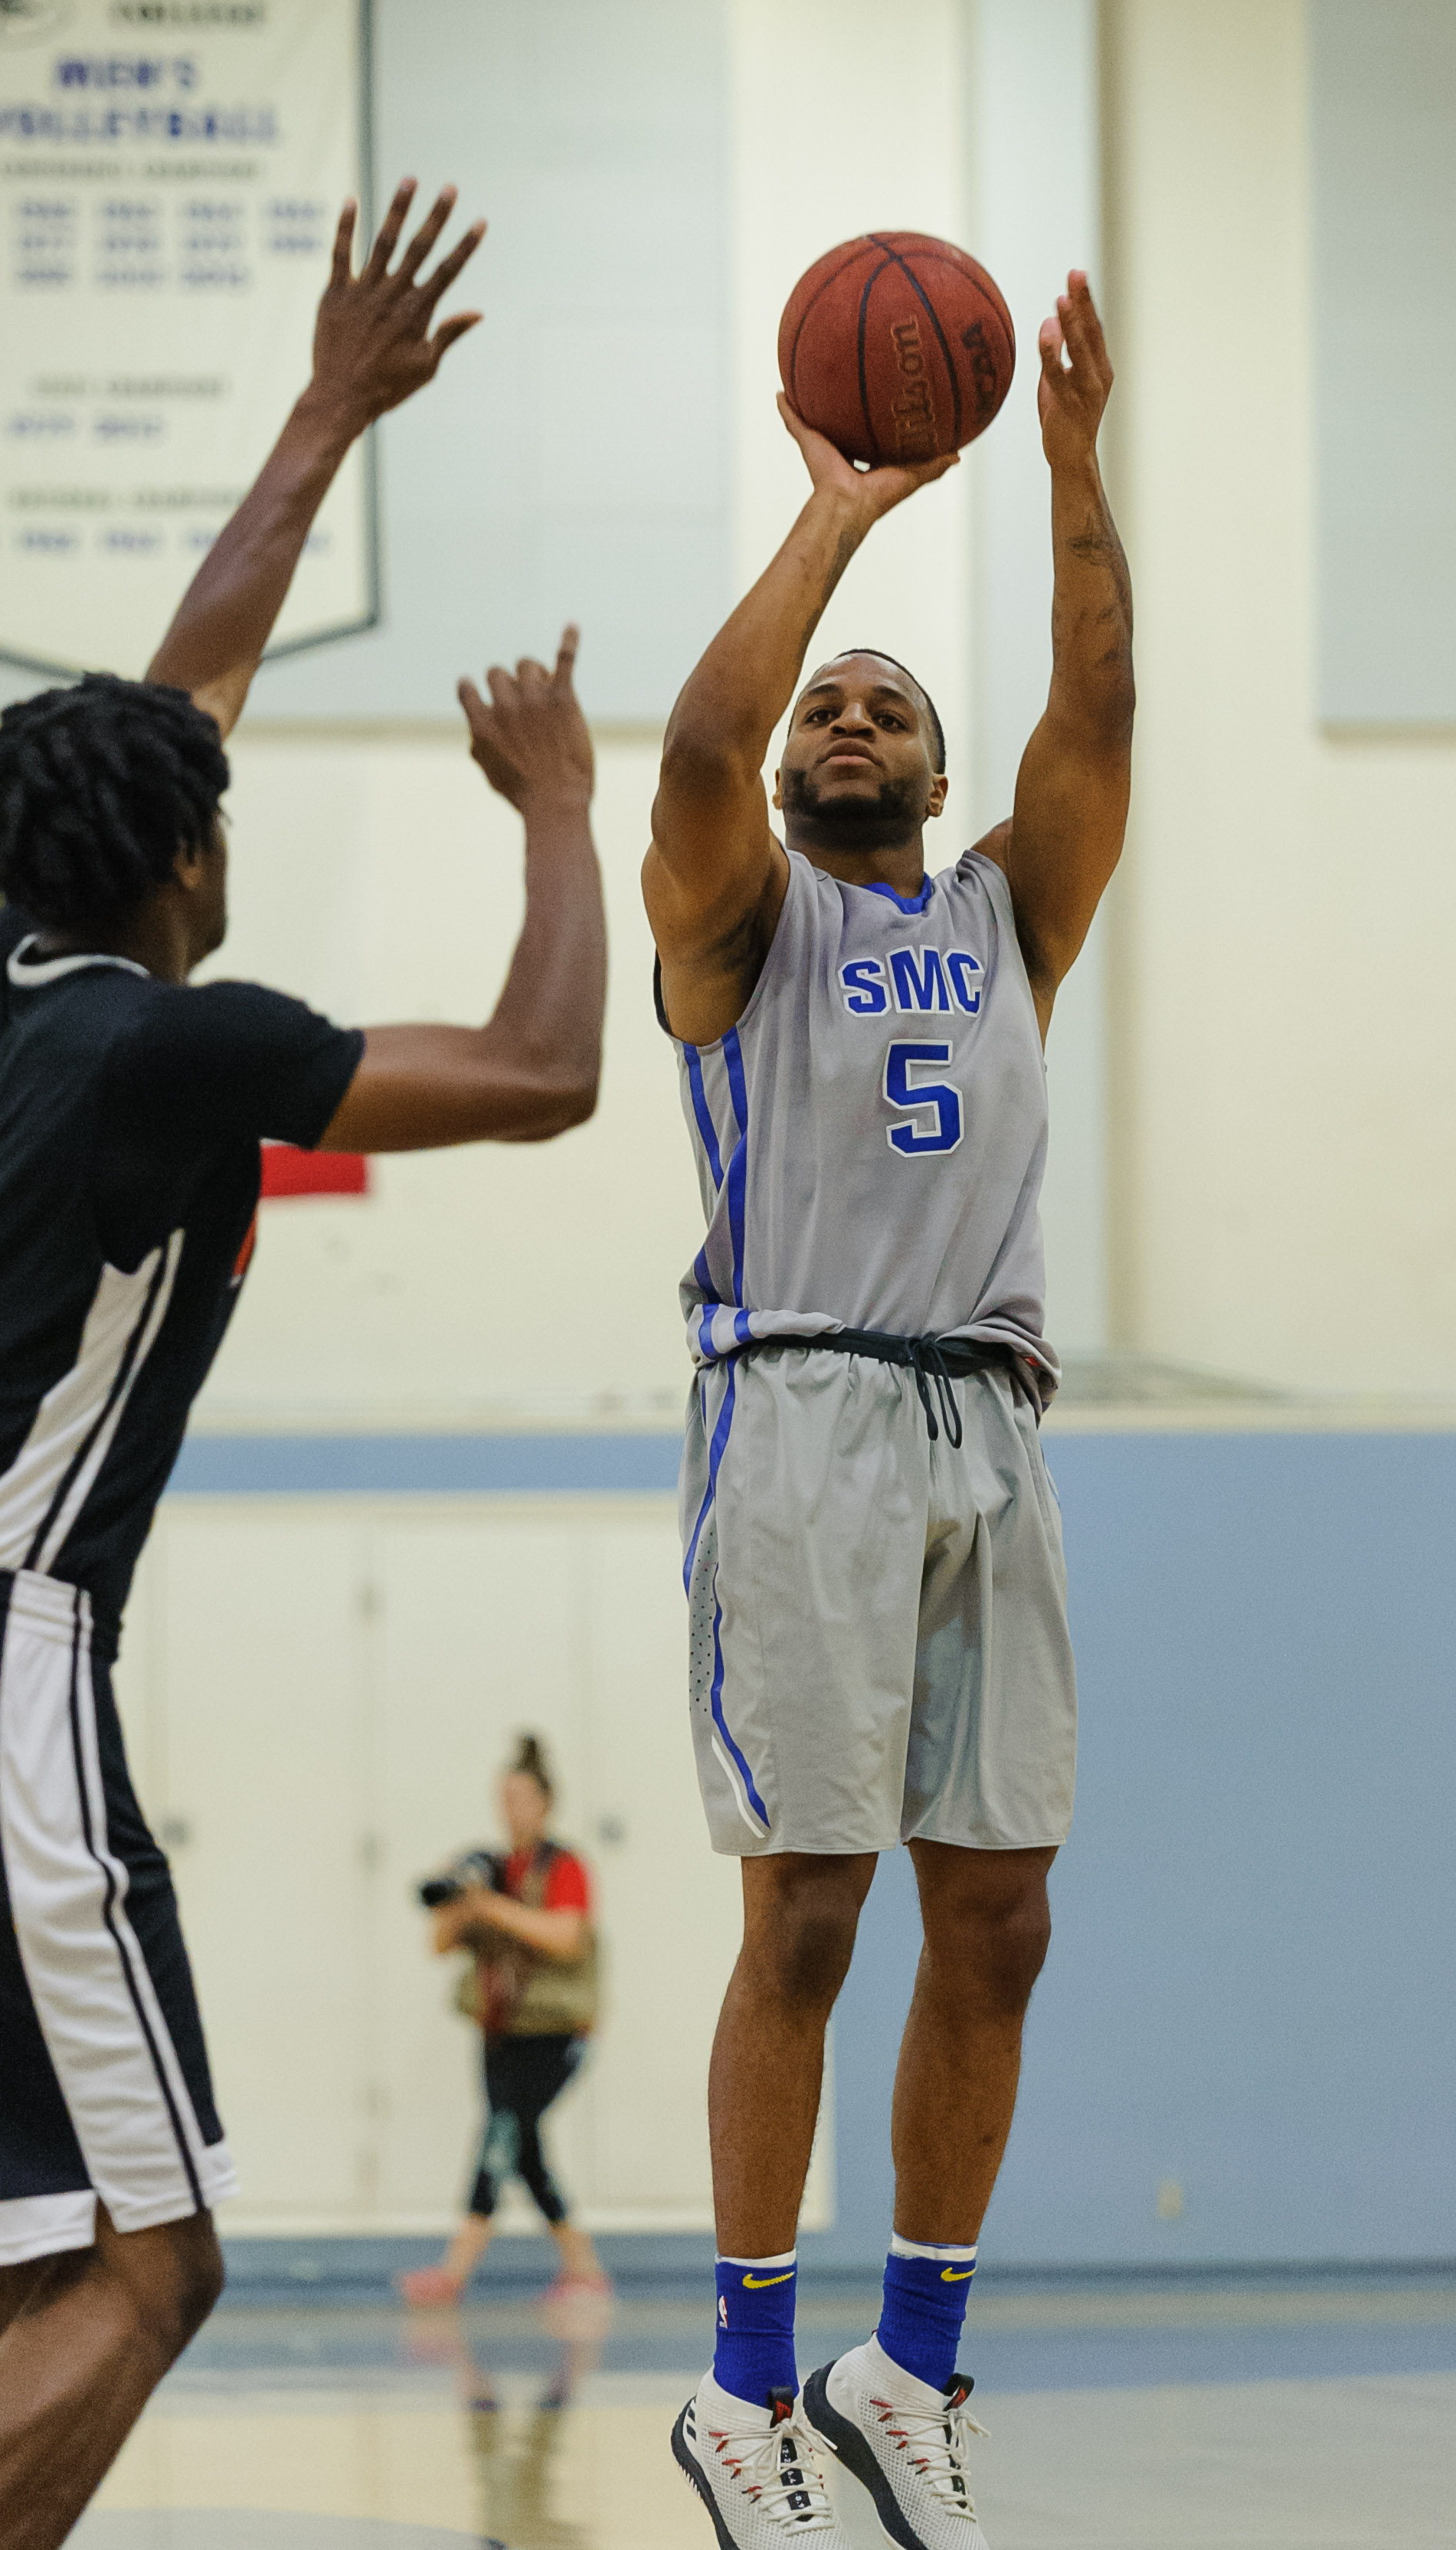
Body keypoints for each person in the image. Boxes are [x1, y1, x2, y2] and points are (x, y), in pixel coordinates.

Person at [0, 180, 607, 2550]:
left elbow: (183, 684)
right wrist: (557, 804)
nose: (217, 792)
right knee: (156, 2261)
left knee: (44, 2248)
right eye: (207, 801)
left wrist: (329, 412)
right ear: (182, 863)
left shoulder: (15, 982)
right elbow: (547, 1065)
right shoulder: (165, 1040)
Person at [645, 275, 1131, 2549]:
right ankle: (745, 2383)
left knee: (1004, 1915)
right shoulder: (738, 915)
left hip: (990, 1426)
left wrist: (1064, 472)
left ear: (937, 777)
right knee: (812, 1909)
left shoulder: (1010, 909)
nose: (844, 709)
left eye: (886, 705)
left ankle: (906, 2360)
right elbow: (688, 752)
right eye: (822, 702)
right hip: (802, 1414)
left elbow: (1103, 703)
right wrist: (836, 518)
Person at [399, 1734, 609, 2306]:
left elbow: (565, 1937)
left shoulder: (562, 1867)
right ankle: (583, 2269)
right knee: (521, 2145)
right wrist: (458, 1898)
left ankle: (453, 2273)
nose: (509, 1809)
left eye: (520, 1796)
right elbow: (439, 1944)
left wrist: (491, 1906)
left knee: (501, 2136)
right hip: (500, 2032)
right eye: (502, 1797)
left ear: (545, 1802)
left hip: (554, 2033)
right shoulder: (487, 1867)